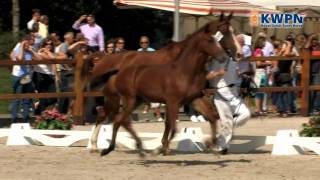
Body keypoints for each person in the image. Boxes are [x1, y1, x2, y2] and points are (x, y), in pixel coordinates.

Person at [207, 56, 251, 154]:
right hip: (220, 93)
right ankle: (222, 148)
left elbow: (236, 74)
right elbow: (207, 76)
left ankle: (221, 137)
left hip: (234, 93)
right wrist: (218, 73)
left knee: (246, 114)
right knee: (226, 121)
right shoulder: (215, 60)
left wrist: (241, 75)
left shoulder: (233, 61)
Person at [10, 35, 41, 123]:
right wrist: (22, 46)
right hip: (18, 76)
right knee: (17, 99)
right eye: (32, 41)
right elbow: (19, 59)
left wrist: (31, 50)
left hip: (27, 77)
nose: (33, 43)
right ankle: (14, 121)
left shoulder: (30, 50)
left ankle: (26, 121)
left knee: (27, 100)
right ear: (26, 41)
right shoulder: (18, 48)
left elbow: (40, 59)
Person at [137, 36, 163, 121]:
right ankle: (147, 111)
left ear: (148, 43)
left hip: (152, 76)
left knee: (155, 94)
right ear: (140, 44)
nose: (144, 44)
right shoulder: (138, 52)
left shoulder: (152, 51)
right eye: (142, 43)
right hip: (142, 77)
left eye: (146, 42)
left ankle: (157, 114)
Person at [306, 33, 320, 115]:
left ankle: (316, 108)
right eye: (312, 40)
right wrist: (309, 41)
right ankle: (311, 109)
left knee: (317, 91)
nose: (314, 41)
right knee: (310, 92)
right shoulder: (309, 48)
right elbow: (305, 48)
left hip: (318, 72)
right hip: (309, 72)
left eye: (315, 39)